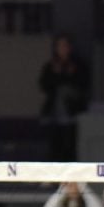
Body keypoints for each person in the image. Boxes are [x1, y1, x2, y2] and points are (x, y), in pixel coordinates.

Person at [39, 34, 89, 162]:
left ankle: (70, 179)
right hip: (53, 116)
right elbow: (44, 85)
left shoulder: (78, 65)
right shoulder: (50, 66)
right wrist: (57, 74)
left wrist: (66, 75)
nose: (63, 49)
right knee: (54, 147)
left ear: (70, 47)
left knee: (70, 148)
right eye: (60, 46)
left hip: (72, 115)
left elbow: (82, 85)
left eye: (65, 46)